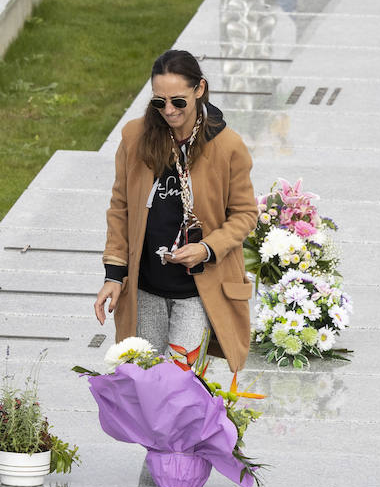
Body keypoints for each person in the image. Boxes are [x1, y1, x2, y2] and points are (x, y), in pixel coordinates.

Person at [94, 49, 258, 374]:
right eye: (159, 101)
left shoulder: (228, 147)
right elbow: (120, 209)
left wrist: (206, 248)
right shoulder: (134, 138)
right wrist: (113, 276)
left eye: (178, 101)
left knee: (178, 381)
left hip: (197, 291)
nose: (168, 110)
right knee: (145, 380)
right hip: (145, 289)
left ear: (199, 89)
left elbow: (244, 214)